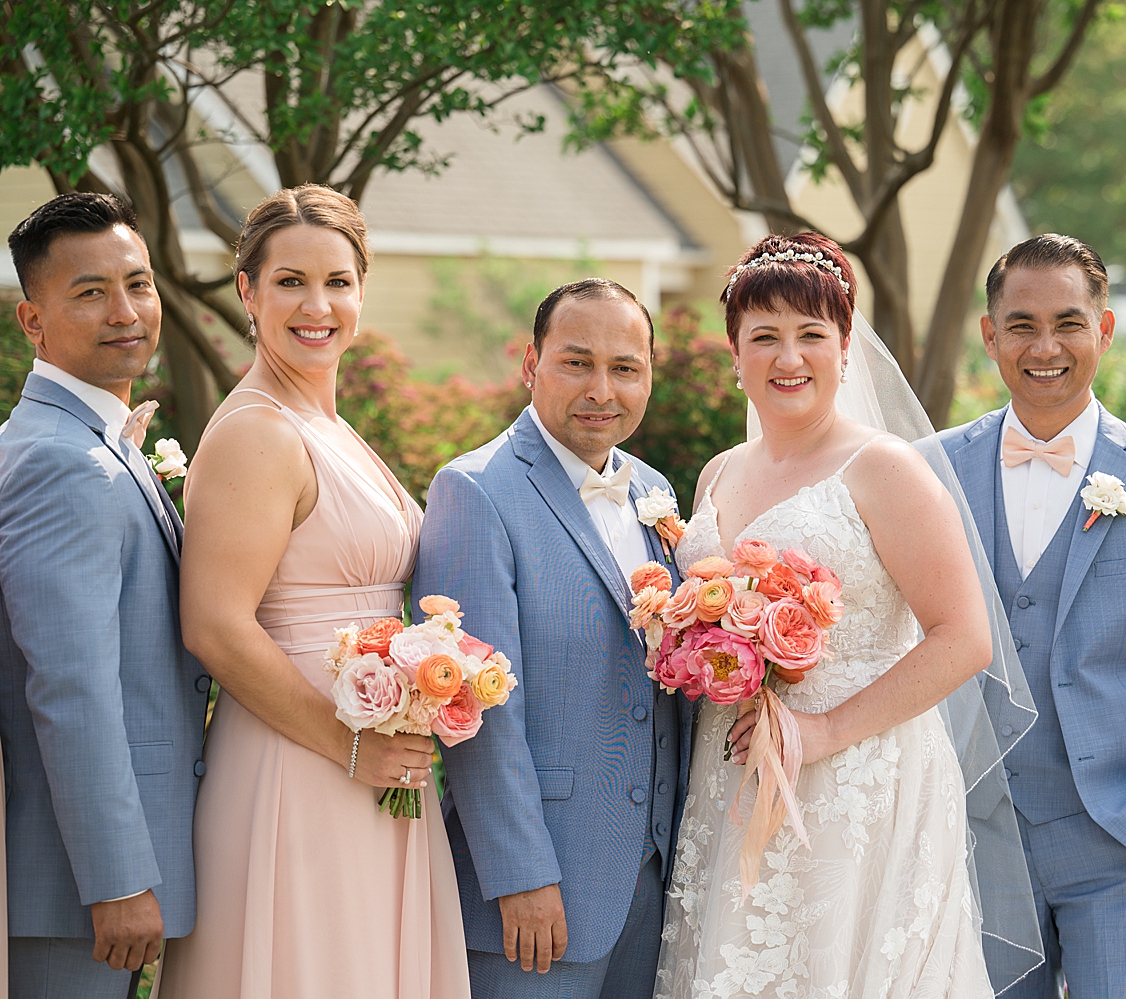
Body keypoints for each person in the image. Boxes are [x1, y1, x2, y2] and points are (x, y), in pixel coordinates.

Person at [654, 232, 1007, 998]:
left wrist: (822, 731)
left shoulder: (885, 468)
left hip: (855, 776)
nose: (789, 358)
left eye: (811, 334)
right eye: (766, 337)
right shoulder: (718, 473)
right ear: (734, 351)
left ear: (845, 347)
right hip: (734, 773)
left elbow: (965, 637)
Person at [156, 185, 468, 998]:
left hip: (374, 760)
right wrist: (350, 747)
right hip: (297, 764)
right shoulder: (259, 431)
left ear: (362, 290)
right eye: (291, 280)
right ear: (248, 292)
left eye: (338, 281)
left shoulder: (329, 423)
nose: (317, 304)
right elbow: (216, 626)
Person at [938, 234, 1126, 999]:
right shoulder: (930, 470)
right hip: (972, 839)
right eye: (1022, 324)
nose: (1045, 346)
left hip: (1121, 837)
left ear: (1102, 329)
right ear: (990, 334)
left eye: (1068, 322)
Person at [414, 278, 693, 999]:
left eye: (626, 367)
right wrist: (520, 874)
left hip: (651, 881)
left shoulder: (651, 490)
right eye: (577, 362)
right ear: (531, 364)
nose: (603, 388)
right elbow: (476, 711)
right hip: (538, 893)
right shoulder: (474, 490)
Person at [0, 193, 211, 998]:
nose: (126, 311)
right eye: (90, 292)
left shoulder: (90, 441)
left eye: (140, 283)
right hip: (74, 890)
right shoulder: (62, 461)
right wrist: (117, 879)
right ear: (32, 319)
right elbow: (70, 687)